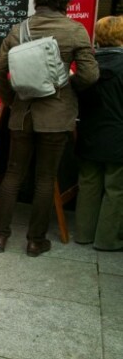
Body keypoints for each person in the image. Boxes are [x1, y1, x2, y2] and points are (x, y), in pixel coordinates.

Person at [0, 0, 99, 257]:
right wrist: (66, 84)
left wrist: (12, 100)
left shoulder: (19, 29)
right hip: (57, 114)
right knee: (45, 178)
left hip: (22, 114)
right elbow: (89, 75)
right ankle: (35, 241)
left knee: (12, 174)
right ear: (66, 0)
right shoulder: (75, 31)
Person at [74, 16, 123, 251]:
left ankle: (83, 233)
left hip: (88, 133)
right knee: (116, 189)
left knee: (88, 183)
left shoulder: (88, 65)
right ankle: (107, 239)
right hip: (118, 137)